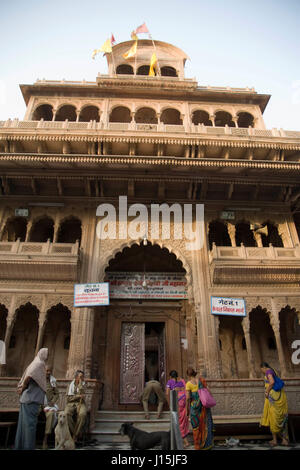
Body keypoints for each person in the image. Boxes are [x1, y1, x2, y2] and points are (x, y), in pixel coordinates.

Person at [14, 348, 48, 450]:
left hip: (27, 399)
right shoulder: (39, 364)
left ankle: (19, 446)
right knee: (30, 426)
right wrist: (23, 387)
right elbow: (29, 376)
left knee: (23, 426)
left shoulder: (35, 362)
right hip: (31, 399)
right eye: (47, 354)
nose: (47, 356)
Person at [260, 362, 289, 447]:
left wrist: (267, 391)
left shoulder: (268, 372)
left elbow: (272, 382)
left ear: (263, 367)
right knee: (280, 418)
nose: (262, 371)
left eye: (261, 370)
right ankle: (282, 440)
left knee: (273, 418)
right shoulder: (274, 371)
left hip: (274, 398)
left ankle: (277, 440)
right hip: (280, 396)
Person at [185, 367, 214, 450]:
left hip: (195, 407)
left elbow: (187, 398)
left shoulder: (188, 384)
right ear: (194, 373)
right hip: (203, 405)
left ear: (188, 375)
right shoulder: (201, 380)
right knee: (205, 423)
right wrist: (210, 398)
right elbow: (208, 389)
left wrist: (187, 409)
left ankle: (198, 445)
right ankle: (207, 444)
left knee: (195, 426)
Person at [166, 370, 189, 448]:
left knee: (178, 423)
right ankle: (180, 441)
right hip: (183, 403)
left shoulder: (169, 382)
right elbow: (186, 392)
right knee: (182, 422)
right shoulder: (182, 381)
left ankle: (185, 442)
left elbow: (167, 393)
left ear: (170, 376)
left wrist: (169, 405)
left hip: (177, 403)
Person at [64, 370, 87, 443]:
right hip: (70, 404)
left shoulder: (83, 385)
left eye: (83, 377)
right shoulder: (70, 385)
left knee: (82, 414)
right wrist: (78, 396)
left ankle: (75, 435)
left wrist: (80, 384)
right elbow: (69, 398)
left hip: (81, 403)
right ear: (76, 377)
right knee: (66, 414)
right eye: (80, 377)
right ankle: (75, 433)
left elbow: (83, 394)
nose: (82, 378)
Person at [42, 366, 59, 449]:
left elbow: (57, 394)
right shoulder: (39, 380)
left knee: (51, 414)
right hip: (38, 404)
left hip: (49, 405)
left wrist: (53, 401)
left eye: (50, 371)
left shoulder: (53, 381)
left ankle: (46, 439)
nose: (48, 372)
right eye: (47, 371)